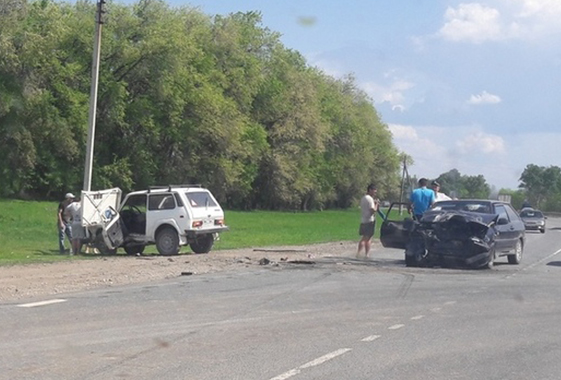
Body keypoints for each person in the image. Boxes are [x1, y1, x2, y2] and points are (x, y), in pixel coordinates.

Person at [357, 183, 379, 258]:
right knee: (367, 238)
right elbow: (373, 210)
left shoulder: (363, 198)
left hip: (363, 219)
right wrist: (376, 204)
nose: (375, 193)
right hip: (369, 221)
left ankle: (359, 253)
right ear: (370, 190)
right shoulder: (370, 199)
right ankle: (366, 254)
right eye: (374, 191)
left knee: (364, 237)